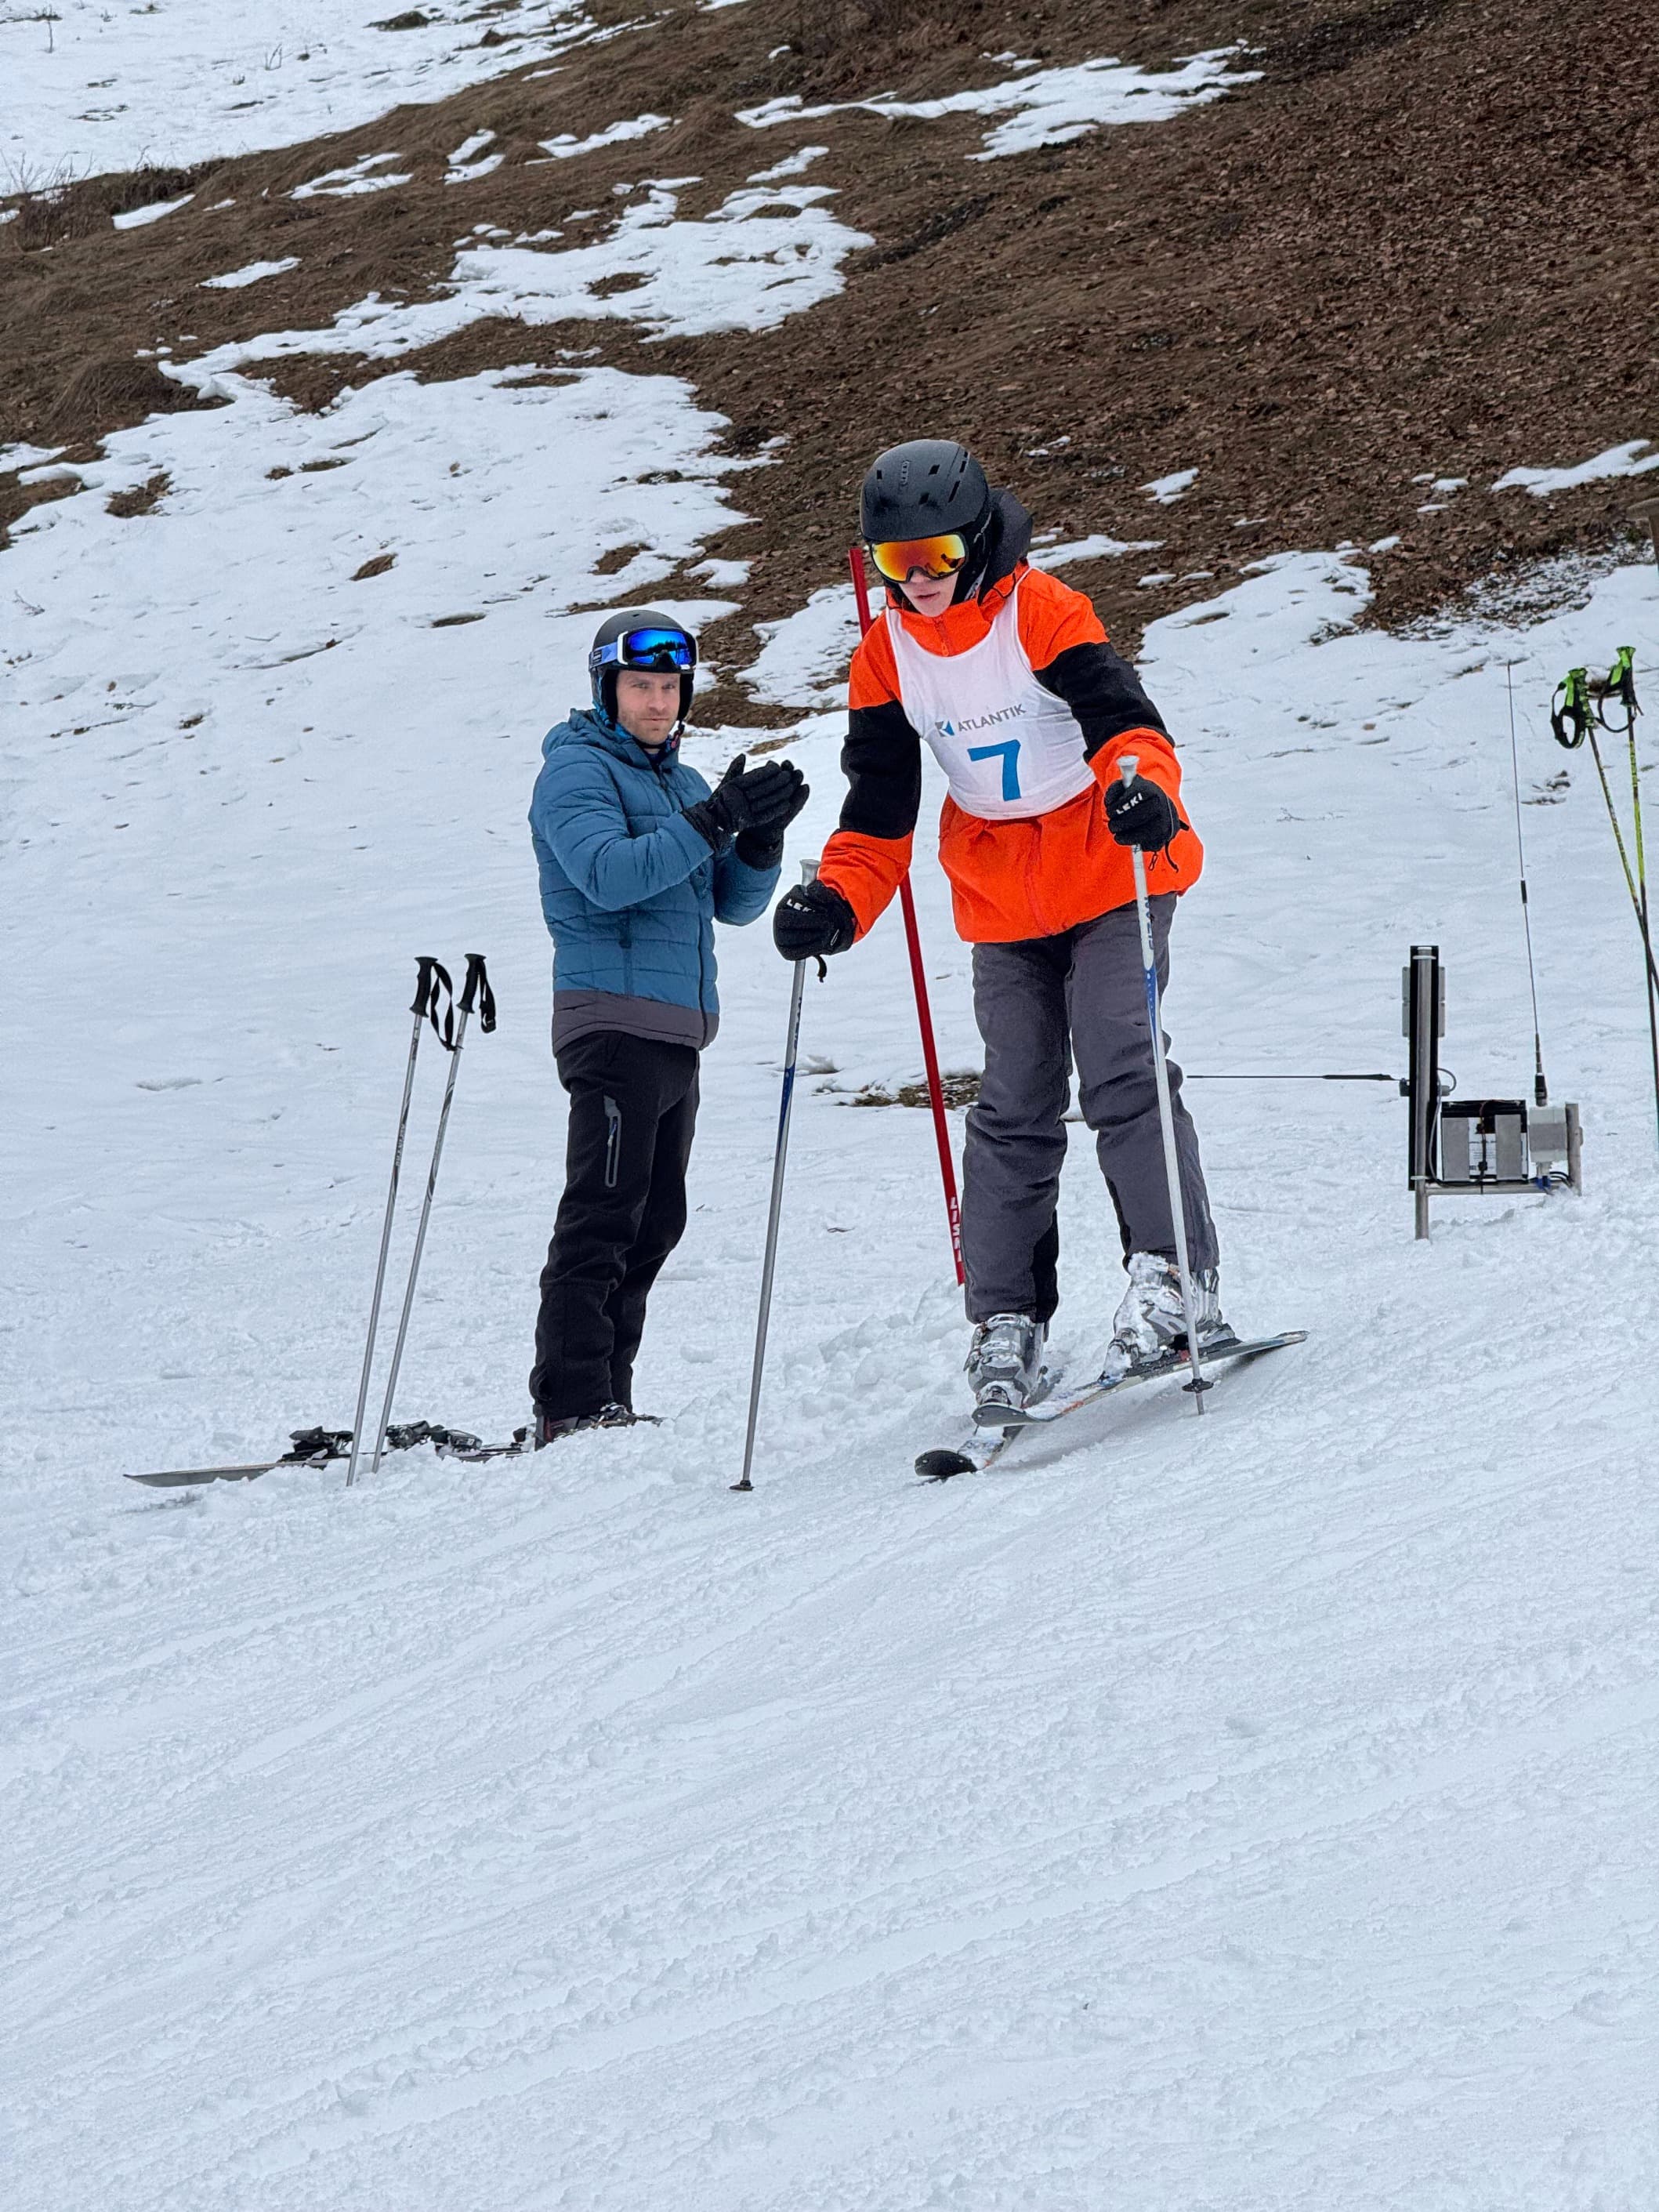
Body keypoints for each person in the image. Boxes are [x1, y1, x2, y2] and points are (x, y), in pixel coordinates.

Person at [772, 438, 1230, 1419]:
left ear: (978, 539)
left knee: (1119, 1063)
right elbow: (877, 816)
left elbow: (1127, 727)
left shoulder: (1042, 610)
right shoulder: (884, 656)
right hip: (1003, 900)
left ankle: (1172, 1280)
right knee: (1013, 1098)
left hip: (1110, 867)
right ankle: (1007, 1318)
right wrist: (838, 904)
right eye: (895, 561)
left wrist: (1144, 792)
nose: (919, 579)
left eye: (937, 554)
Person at [530, 609, 808, 1443]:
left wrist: (757, 842)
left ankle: (609, 1396)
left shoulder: (683, 784)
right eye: (640, 686)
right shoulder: (574, 773)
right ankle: (571, 1402)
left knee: (653, 1221)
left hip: (677, 1032)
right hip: (609, 1022)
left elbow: (730, 905)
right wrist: (712, 822)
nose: (657, 702)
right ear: (606, 691)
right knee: (602, 1214)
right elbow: (608, 876)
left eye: (669, 688)